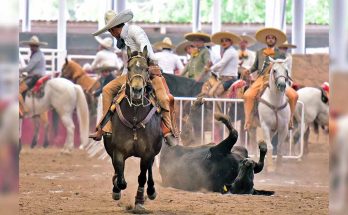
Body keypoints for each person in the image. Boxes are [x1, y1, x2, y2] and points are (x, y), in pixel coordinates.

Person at [89, 9, 178, 146]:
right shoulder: (123, 40)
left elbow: (145, 47)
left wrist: (140, 61)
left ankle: (168, 132)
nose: (111, 34)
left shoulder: (134, 30)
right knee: (107, 89)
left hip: (148, 70)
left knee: (164, 98)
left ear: (113, 30)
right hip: (130, 73)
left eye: (110, 31)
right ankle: (106, 129)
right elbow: (127, 65)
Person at [242, 27, 298, 130]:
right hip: (261, 78)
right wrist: (249, 71)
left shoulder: (280, 53)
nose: (271, 39)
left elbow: (283, 68)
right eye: (269, 38)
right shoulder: (259, 52)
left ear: (276, 40)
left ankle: (290, 120)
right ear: (266, 40)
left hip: (276, 78)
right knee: (248, 95)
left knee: (294, 96)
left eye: (273, 38)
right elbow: (255, 66)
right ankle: (248, 121)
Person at [19, 35, 47, 115]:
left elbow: (28, 68)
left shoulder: (37, 55)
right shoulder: (38, 54)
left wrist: (19, 70)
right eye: (31, 46)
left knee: (18, 90)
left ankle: (24, 108)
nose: (30, 47)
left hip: (35, 77)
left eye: (31, 46)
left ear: (35, 46)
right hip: (35, 76)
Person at [208, 31, 241, 98]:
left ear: (231, 42)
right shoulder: (227, 51)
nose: (224, 42)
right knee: (211, 92)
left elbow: (222, 63)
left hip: (229, 79)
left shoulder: (230, 51)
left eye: (226, 41)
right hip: (224, 78)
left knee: (215, 94)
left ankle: (218, 108)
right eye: (222, 41)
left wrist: (210, 69)